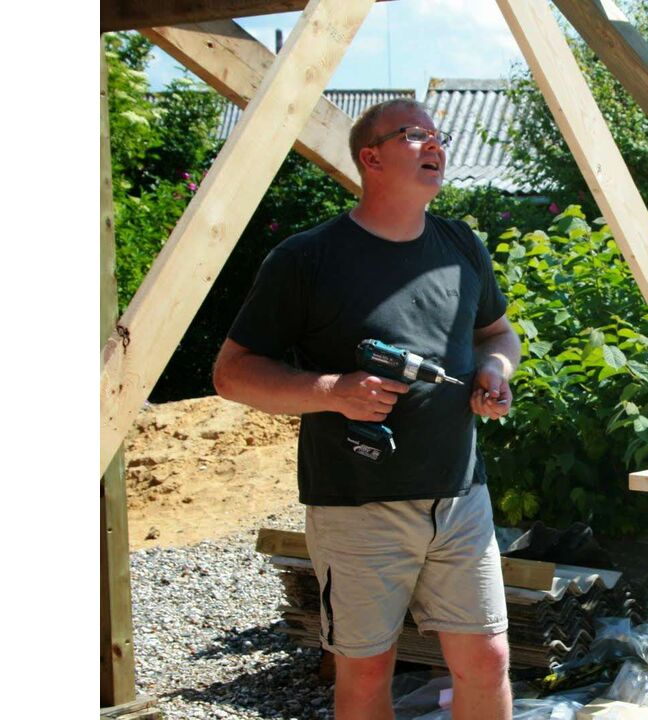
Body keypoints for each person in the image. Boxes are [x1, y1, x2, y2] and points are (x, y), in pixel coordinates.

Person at [212, 98, 520, 720]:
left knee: (488, 660)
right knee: (367, 669)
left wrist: (495, 369)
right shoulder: (306, 258)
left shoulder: (460, 245)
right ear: (371, 158)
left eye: (438, 135)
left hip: (460, 496)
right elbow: (231, 373)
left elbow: (498, 333)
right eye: (415, 134)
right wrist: (332, 391)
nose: (435, 145)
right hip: (357, 505)